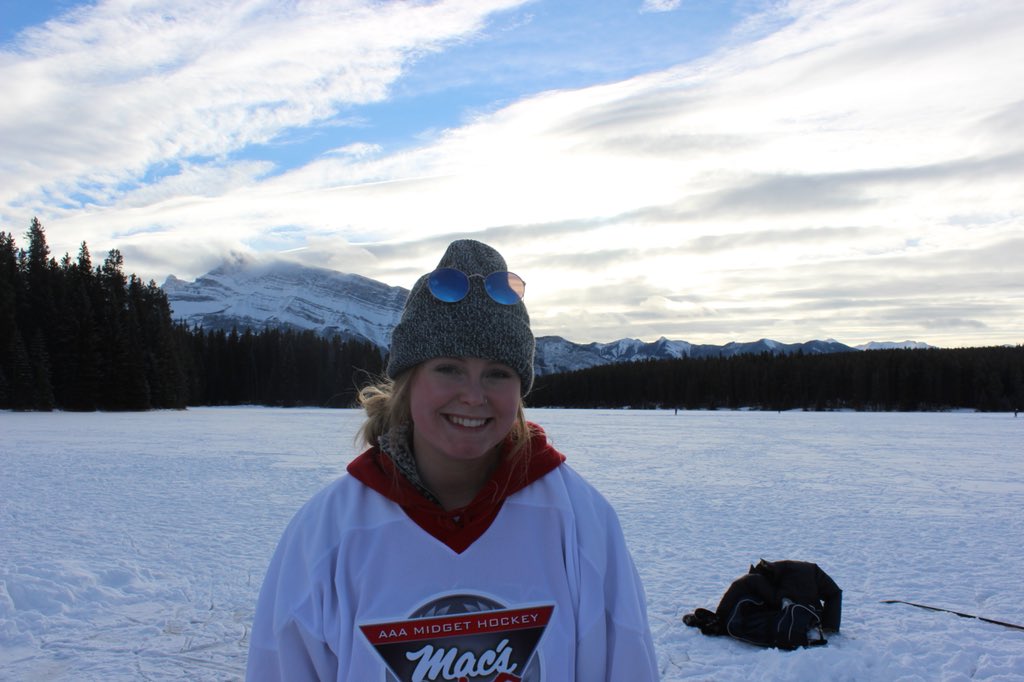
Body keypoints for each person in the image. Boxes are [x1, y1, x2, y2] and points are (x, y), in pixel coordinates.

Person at [246, 239, 659, 681]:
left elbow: (627, 663)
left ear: (520, 391)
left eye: (498, 374)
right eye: (449, 368)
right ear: (408, 380)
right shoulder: (326, 532)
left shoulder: (580, 522)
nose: (474, 395)